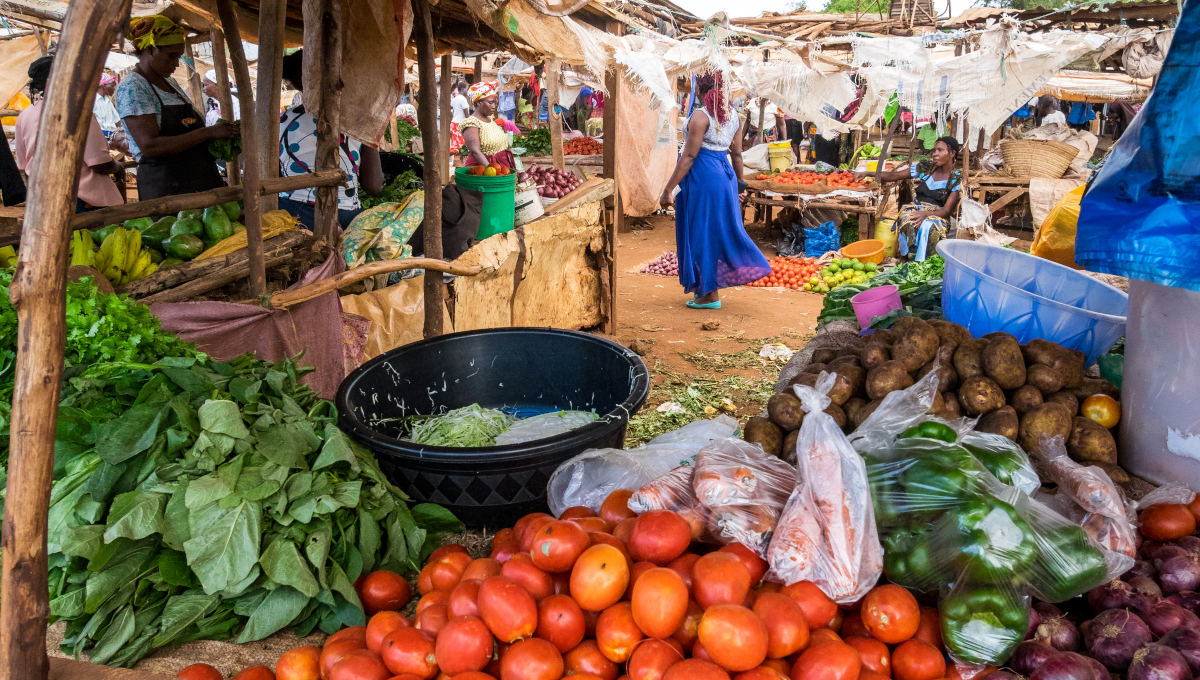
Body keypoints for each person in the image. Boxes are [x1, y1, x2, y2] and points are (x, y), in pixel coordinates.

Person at [658, 71, 771, 310]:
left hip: (704, 177)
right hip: (724, 176)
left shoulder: (700, 116)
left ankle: (709, 294)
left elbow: (689, 157)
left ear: (699, 90)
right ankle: (708, 291)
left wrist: (668, 190)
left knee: (701, 232)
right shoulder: (735, 117)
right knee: (715, 231)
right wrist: (739, 184)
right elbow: (737, 154)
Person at [116, 16, 233, 200]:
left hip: (200, 184)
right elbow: (150, 146)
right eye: (171, 56)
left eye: (179, 57)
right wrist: (207, 133)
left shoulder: (170, 82)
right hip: (168, 192)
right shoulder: (134, 86)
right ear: (150, 50)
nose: (176, 64)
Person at [277, 50, 382, 230]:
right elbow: (374, 186)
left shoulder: (282, 120)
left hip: (292, 217)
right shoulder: (359, 122)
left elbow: (273, 175)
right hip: (345, 218)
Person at [16, 56, 124, 212]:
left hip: (45, 200)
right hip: (83, 200)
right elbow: (99, 163)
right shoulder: (77, 112)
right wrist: (117, 167)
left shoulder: (24, 116)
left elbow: (26, 166)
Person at [867, 136, 963, 262]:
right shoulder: (925, 167)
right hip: (915, 208)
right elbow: (895, 175)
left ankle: (926, 262)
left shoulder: (956, 178)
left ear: (952, 153)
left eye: (940, 150)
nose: (935, 154)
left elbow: (946, 211)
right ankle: (904, 259)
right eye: (934, 150)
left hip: (938, 214)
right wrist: (868, 173)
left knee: (929, 227)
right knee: (909, 222)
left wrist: (926, 214)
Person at [460, 81, 516, 169]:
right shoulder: (472, 123)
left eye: (495, 103)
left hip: (499, 168)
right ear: (478, 102)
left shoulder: (490, 119)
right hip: (484, 171)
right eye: (490, 103)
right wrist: (492, 172)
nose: (494, 106)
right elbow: (475, 151)